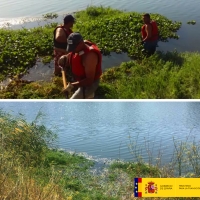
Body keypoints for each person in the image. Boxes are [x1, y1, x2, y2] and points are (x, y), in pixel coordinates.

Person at [58, 32, 102, 99]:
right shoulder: (79, 48)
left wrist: (72, 85)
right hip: (80, 79)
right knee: (88, 97)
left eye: (74, 48)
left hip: (89, 84)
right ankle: (90, 98)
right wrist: (65, 57)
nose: (73, 50)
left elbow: (89, 81)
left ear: (81, 43)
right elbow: (72, 53)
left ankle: (89, 95)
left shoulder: (89, 57)